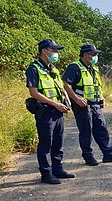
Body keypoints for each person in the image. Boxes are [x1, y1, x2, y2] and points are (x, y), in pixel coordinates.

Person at [62, 44, 112, 166]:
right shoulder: (75, 67)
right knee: (86, 132)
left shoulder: (93, 68)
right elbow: (66, 84)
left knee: (102, 130)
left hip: (96, 104)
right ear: (86, 55)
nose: (96, 56)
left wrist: (101, 98)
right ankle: (88, 156)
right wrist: (76, 98)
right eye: (93, 54)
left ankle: (108, 154)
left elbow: (96, 86)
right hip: (82, 106)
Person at [25, 39, 75, 184]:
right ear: (44, 50)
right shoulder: (34, 68)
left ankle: (57, 169)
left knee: (58, 142)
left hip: (58, 111)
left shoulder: (53, 68)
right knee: (46, 143)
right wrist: (55, 104)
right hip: (46, 111)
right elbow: (34, 92)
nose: (56, 53)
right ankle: (46, 174)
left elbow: (60, 87)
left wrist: (66, 100)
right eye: (54, 50)